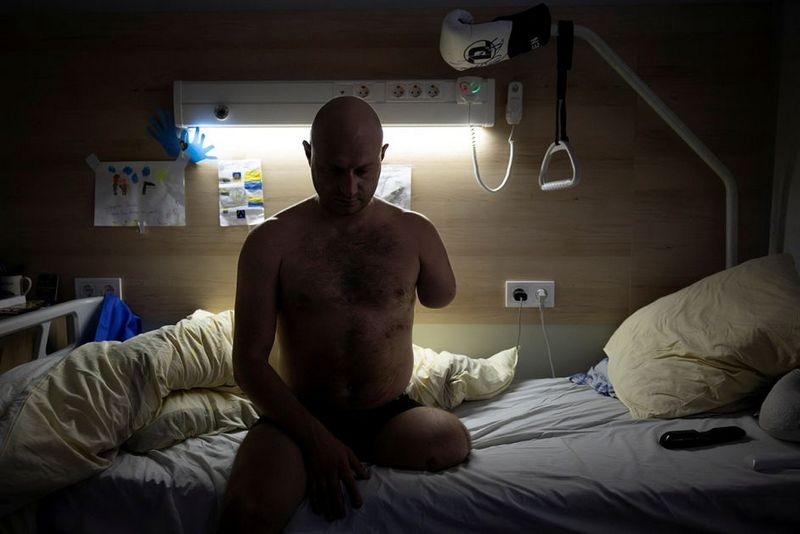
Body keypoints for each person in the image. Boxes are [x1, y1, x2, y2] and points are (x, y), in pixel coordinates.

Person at [220, 96, 471, 533]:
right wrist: (316, 441)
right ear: (308, 155)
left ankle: (351, 453)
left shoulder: (413, 231)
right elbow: (248, 362)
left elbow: (441, 296)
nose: (349, 188)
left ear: (382, 157)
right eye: (333, 171)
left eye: (363, 171)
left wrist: (422, 246)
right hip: (299, 415)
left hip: (386, 413)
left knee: (448, 439)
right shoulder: (270, 242)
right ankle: (314, 450)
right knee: (249, 511)